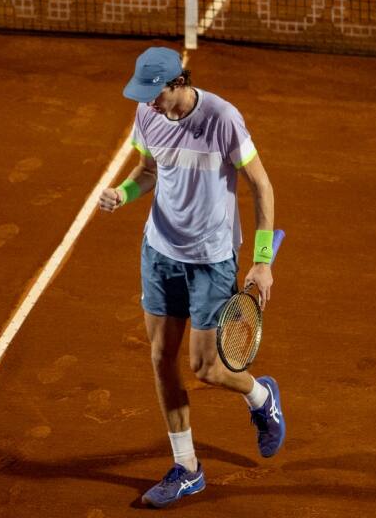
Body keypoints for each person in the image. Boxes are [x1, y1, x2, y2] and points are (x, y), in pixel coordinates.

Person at [98, 47, 286, 508]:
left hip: (211, 259)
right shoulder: (147, 114)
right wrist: (122, 194)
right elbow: (146, 171)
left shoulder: (223, 118)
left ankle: (261, 397)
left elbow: (261, 184)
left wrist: (262, 261)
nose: (148, 103)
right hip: (159, 252)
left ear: (177, 83)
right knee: (162, 358)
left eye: (155, 93)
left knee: (208, 368)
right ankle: (187, 468)